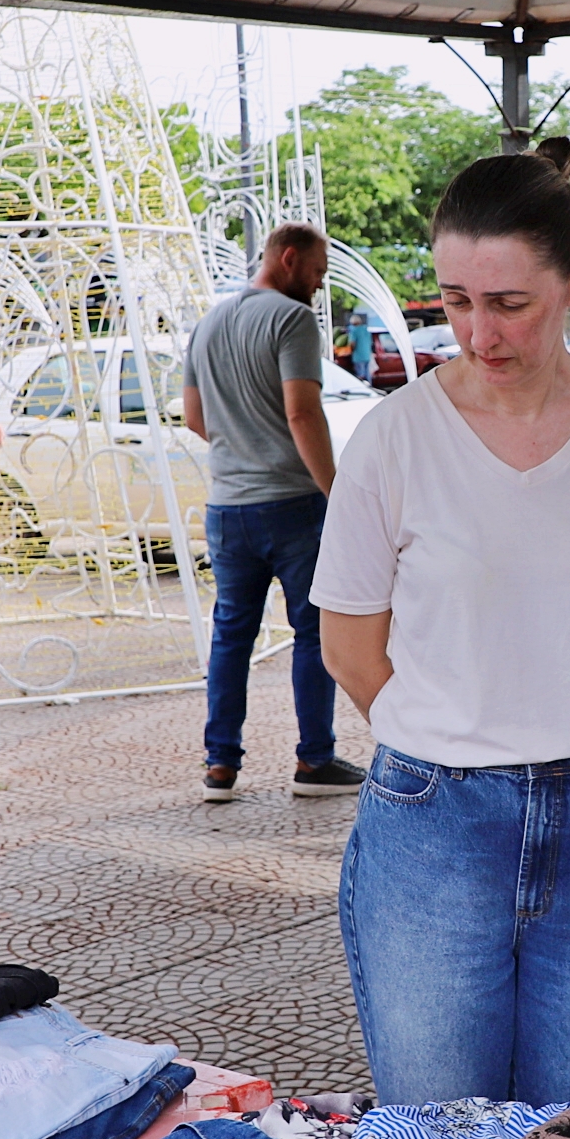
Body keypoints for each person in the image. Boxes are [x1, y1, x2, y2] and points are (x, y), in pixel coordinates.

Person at [315, 137, 570, 1105]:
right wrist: (459, 726)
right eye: (455, 300)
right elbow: (350, 648)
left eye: (508, 303)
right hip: (433, 825)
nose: (478, 333)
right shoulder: (393, 438)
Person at [181, 223, 363, 802]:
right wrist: (337, 493)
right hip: (291, 505)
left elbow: (193, 417)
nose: (320, 283)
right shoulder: (292, 320)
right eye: (318, 271)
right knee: (312, 630)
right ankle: (314, 761)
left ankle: (220, 767)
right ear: (288, 259)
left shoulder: (208, 323)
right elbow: (302, 413)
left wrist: (241, 450)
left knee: (231, 636)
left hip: (226, 507)